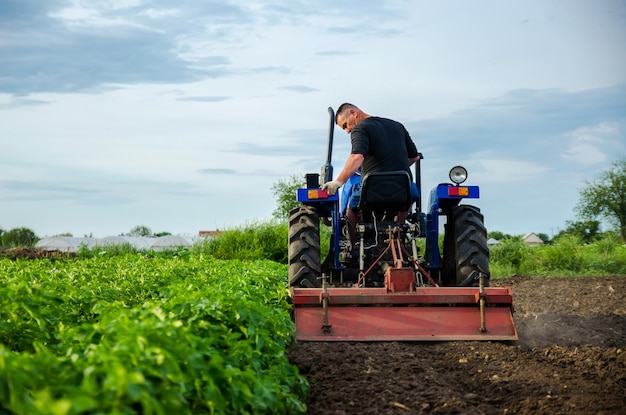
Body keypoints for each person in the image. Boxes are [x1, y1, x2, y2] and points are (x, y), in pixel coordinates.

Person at [322, 103, 420, 241]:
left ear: (353, 113)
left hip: (373, 188)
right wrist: (392, 167)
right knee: (409, 199)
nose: (347, 131)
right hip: (403, 187)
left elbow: (357, 156)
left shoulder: (360, 128)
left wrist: (338, 182)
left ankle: (353, 246)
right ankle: (396, 233)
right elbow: (414, 157)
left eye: (345, 125)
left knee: (351, 207)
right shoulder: (397, 126)